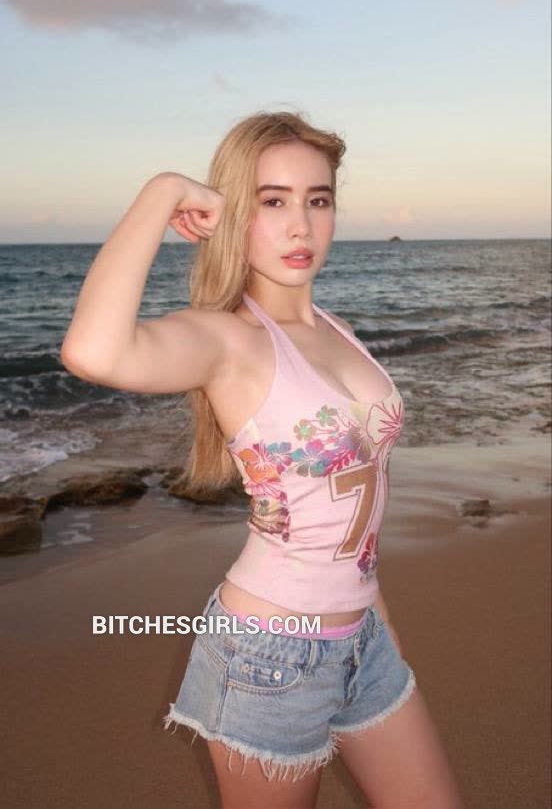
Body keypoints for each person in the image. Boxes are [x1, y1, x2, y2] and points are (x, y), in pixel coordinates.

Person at [61, 110, 465, 808]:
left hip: (365, 636)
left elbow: (353, 513)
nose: (300, 226)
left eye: (318, 200)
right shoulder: (230, 341)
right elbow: (92, 351)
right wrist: (162, 191)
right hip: (268, 656)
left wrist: (380, 626)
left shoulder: (336, 329)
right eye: (272, 202)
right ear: (231, 215)